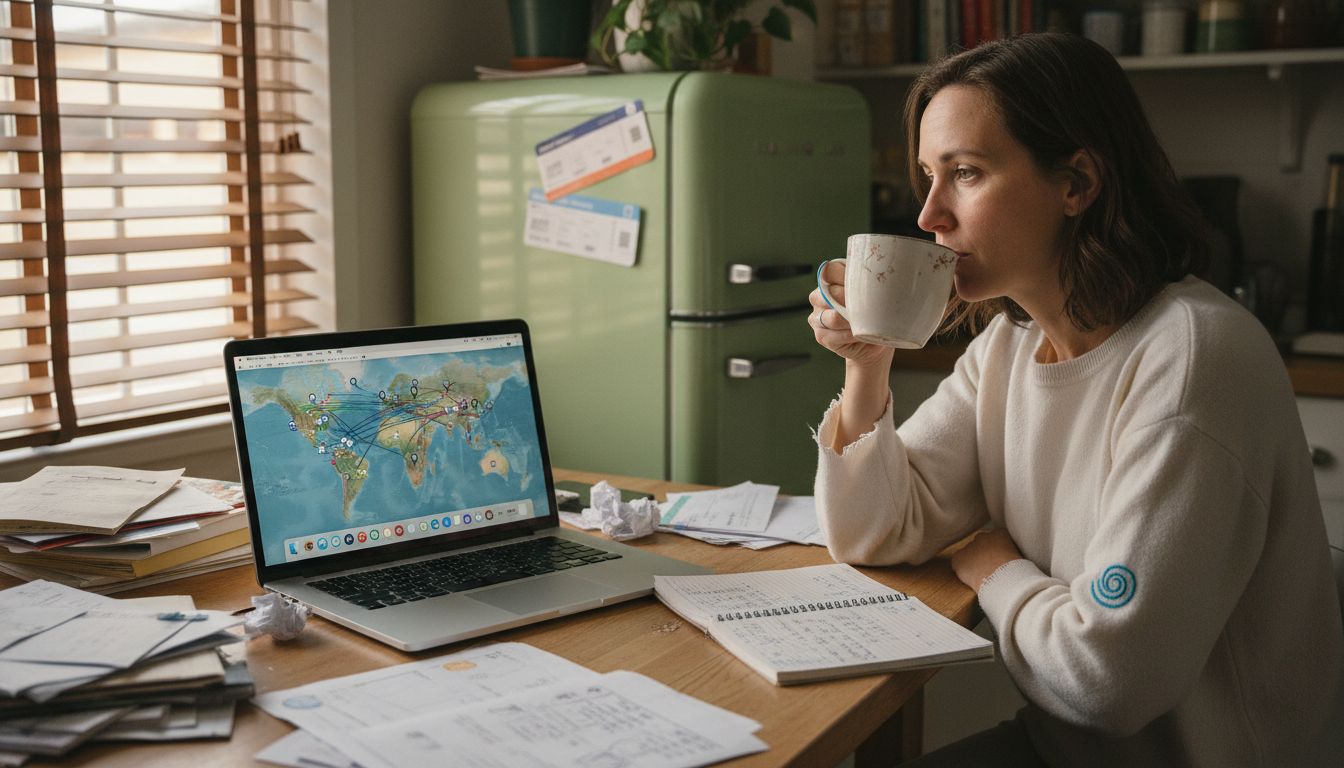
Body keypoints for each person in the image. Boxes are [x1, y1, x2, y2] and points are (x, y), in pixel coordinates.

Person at [808, 32, 1343, 766]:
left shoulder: (1193, 359)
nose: (930, 214)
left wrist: (992, 563)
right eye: (928, 175)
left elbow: (1109, 681)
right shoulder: (1008, 349)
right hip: (1066, 749)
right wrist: (867, 370)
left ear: (1077, 183)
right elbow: (871, 534)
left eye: (965, 173)